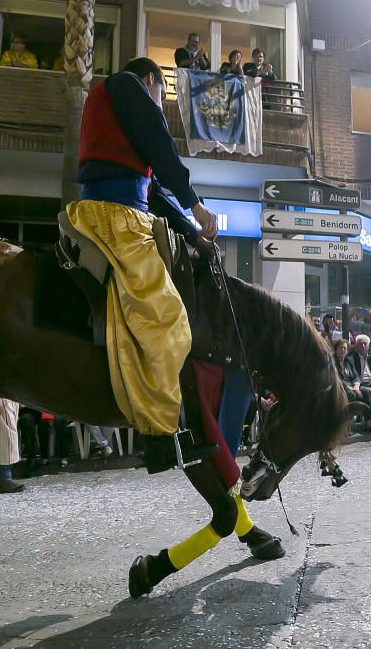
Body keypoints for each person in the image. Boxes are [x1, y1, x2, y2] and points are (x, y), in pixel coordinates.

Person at [70, 57, 219, 473]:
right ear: (151, 80)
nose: (160, 104)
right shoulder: (125, 84)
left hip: (123, 212)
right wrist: (195, 202)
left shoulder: (118, 114)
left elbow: (152, 193)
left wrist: (191, 232)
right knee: (166, 315)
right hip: (115, 217)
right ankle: (159, 437)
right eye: (162, 95)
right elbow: (161, 144)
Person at [333, 338, 371, 429]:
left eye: (344, 348)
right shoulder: (332, 362)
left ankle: (369, 421)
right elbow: (336, 378)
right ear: (336, 349)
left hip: (353, 386)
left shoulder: (348, 361)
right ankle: (346, 423)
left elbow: (356, 376)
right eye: (340, 348)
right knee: (351, 394)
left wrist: (356, 386)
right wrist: (348, 388)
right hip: (339, 387)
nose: (343, 350)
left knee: (368, 391)